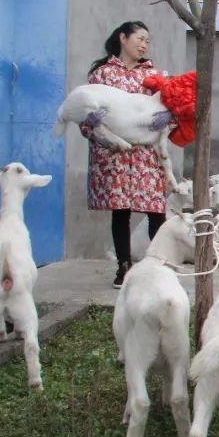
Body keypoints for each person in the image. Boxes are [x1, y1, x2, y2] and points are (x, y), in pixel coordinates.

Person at [81, 21, 169, 288]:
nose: (144, 44)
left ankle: (157, 267)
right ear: (123, 38)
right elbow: (85, 115)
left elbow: (171, 107)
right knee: (121, 211)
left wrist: (167, 118)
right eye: (140, 38)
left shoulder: (153, 76)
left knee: (157, 210)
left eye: (147, 41)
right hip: (116, 155)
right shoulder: (102, 75)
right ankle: (123, 267)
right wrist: (92, 122)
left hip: (145, 155)